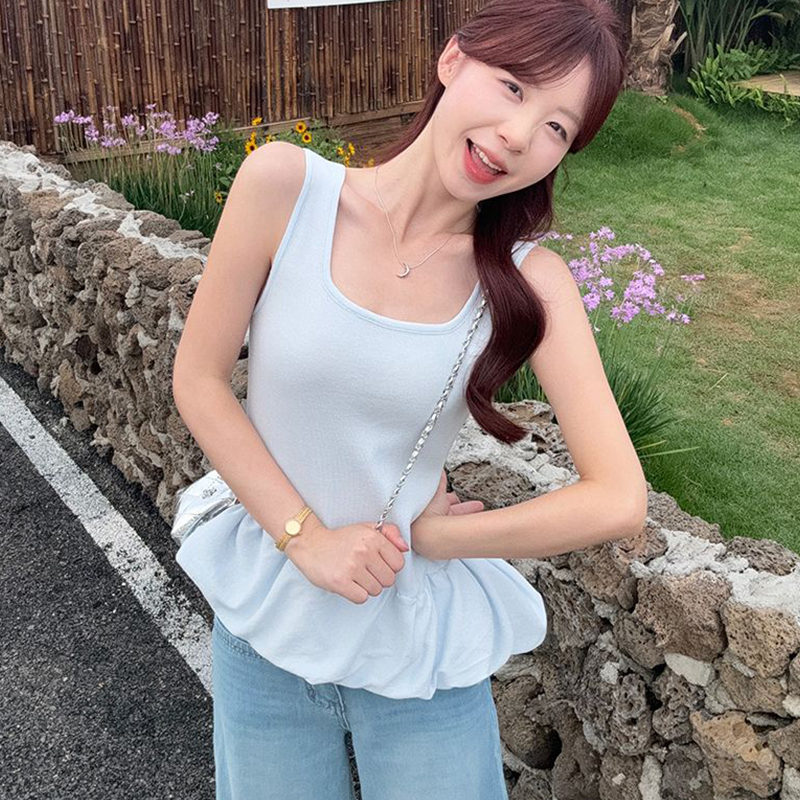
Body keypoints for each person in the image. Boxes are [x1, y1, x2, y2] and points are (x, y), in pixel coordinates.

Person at [172, 0, 646, 797]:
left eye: (558, 128)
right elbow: (199, 378)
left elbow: (618, 498)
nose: (518, 135)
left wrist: (439, 539)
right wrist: (306, 538)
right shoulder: (286, 187)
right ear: (453, 60)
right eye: (513, 86)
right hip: (268, 628)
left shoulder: (529, 281)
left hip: (415, 647)